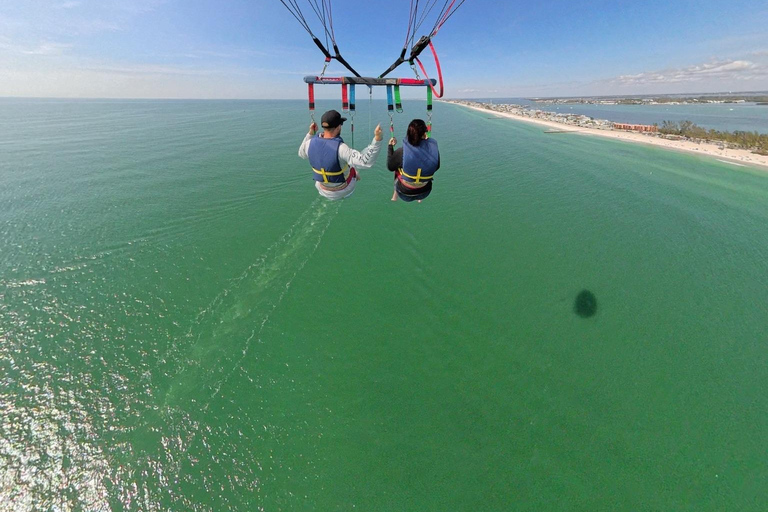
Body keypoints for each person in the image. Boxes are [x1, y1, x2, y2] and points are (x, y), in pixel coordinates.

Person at [298, 109, 383, 200]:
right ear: (338, 127)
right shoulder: (341, 148)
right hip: (342, 190)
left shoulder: (309, 143)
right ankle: (353, 177)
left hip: (321, 188)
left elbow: (301, 154)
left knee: (342, 162)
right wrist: (377, 139)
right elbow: (365, 162)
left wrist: (311, 133)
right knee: (352, 166)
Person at [387, 119, 440, 202]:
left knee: (398, 167)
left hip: (404, 193)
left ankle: (395, 194)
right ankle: (419, 199)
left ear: (408, 134)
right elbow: (436, 166)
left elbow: (390, 167)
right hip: (424, 191)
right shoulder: (432, 150)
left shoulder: (402, 152)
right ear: (424, 134)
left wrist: (390, 146)